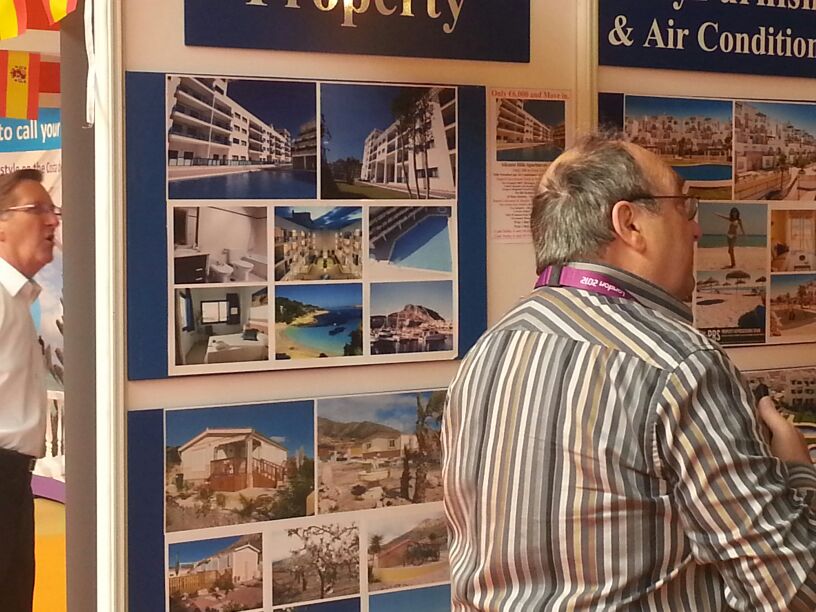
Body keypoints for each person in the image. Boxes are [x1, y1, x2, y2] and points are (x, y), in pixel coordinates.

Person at [442, 136, 816, 610]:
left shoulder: (490, 349)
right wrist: (797, 471)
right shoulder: (680, 364)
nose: (697, 229)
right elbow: (792, 591)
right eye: (685, 206)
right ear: (630, 224)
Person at [0, 169, 60, 612]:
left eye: (52, 210)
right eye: (36, 209)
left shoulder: (17, 300)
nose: (52, 220)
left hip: (13, 482)